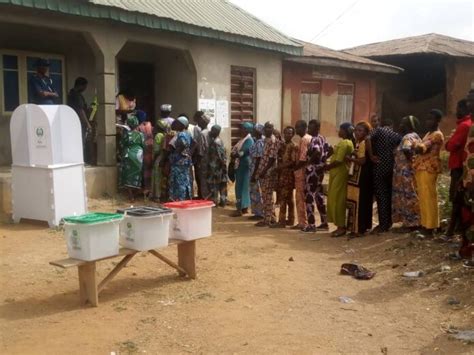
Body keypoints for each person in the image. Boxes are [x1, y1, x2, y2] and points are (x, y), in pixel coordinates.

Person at [413, 109, 445, 235]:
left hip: (429, 168)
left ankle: (431, 226)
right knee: (423, 197)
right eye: (427, 119)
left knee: (429, 197)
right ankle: (425, 224)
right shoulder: (428, 133)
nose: (427, 121)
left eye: (430, 119)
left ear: (437, 121)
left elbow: (421, 148)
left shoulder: (437, 135)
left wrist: (415, 144)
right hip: (422, 167)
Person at [444, 99, 472, 238]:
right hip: (463, 165)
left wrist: (448, 143)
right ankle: (459, 230)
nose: (456, 111)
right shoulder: (466, 124)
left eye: (458, 108)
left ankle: (451, 232)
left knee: (457, 198)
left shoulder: (464, 126)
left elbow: (452, 145)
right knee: (460, 199)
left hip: (459, 166)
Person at [369, 117, 401, 233]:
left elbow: (368, 138)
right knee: (388, 196)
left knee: (381, 197)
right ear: (392, 125)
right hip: (391, 168)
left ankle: (383, 225)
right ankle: (389, 223)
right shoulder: (396, 135)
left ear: (382, 124)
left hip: (379, 167)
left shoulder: (378, 131)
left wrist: (371, 155)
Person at [391, 116, 422, 232]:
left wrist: (410, 161)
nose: (400, 125)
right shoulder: (416, 136)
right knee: (413, 196)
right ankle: (415, 222)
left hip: (405, 172)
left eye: (403, 123)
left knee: (407, 197)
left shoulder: (407, 137)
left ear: (408, 125)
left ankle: (410, 224)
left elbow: (406, 149)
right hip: (410, 171)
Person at [324, 123, 355, 237]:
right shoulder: (346, 142)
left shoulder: (344, 143)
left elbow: (339, 160)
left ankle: (341, 227)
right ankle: (339, 226)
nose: (339, 131)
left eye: (341, 129)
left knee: (337, 199)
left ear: (345, 131)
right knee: (335, 198)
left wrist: (326, 167)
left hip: (340, 173)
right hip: (337, 173)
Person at [346, 121, 374, 237]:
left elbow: (362, 161)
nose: (357, 133)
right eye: (356, 130)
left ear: (366, 132)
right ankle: (361, 227)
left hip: (361, 177)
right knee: (360, 201)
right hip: (359, 176)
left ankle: (358, 229)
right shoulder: (360, 143)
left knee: (359, 201)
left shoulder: (363, 143)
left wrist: (350, 159)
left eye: (360, 130)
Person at [302, 120, 330, 233]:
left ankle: (311, 224)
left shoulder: (315, 139)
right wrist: (324, 161)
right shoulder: (323, 138)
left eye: (311, 127)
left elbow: (317, 152)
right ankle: (324, 222)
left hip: (313, 171)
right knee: (319, 196)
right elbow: (329, 150)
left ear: (317, 128)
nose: (308, 129)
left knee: (309, 196)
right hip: (320, 170)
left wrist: (309, 163)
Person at [458, 90, 474, 267]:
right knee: (467, 216)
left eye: (471, 100)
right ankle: (469, 251)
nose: (468, 104)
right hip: (467, 177)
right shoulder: (470, 124)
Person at [271, 126, 297, 228]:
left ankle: (281, 221)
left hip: (288, 175)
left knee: (284, 198)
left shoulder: (293, 146)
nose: (287, 135)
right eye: (286, 133)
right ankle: (290, 220)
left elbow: (293, 161)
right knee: (289, 198)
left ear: (293, 134)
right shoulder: (283, 145)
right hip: (282, 174)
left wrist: (280, 167)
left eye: (290, 133)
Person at [255, 122, 279, 227]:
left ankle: (267, 220)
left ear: (273, 129)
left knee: (267, 196)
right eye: (266, 127)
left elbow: (272, 159)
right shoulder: (266, 140)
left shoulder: (273, 141)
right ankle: (272, 217)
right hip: (263, 170)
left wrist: (264, 171)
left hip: (268, 172)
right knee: (267, 196)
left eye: (270, 127)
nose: (267, 129)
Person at [292, 120, 313, 230]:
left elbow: (302, 159)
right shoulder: (308, 138)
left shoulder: (305, 139)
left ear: (304, 128)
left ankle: (302, 222)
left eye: (298, 127)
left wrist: (295, 168)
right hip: (307, 172)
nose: (296, 130)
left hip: (301, 172)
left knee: (300, 198)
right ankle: (303, 221)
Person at [231, 122, 254, 216]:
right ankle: (242, 207)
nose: (241, 130)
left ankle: (241, 207)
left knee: (242, 187)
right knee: (241, 187)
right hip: (241, 166)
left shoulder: (249, 140)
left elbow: (242, 153)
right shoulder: (243, 140)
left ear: (248, 130)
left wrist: (235, 154)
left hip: (244, 166)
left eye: (243, 128)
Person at [119, 115, 145, 202]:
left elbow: (122, 144)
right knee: (137, 173)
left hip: (129, 154)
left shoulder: (127, 134)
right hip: (139, 156)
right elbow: (144, 146)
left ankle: (131, 196)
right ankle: (135, 193)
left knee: (128, 174)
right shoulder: (141, 135)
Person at [67, 77, 92, 162]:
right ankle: (80, 161)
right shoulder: (76, 95)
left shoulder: (71, 93)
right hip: (79, 122)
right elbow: (80, 110)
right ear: (81, 85)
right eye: (85, 86)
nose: (85, 89)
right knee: (81, 142)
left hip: (73, 122)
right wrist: (87, 123)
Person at [168, 116, 193, 201]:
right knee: (185, 179)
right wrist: (189, 153)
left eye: (178, 123)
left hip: (179, 161)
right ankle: (185, 197)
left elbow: (182, 144)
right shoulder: (188, 133)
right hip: (185, 161)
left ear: (182, 125)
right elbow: (194, 143)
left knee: (178, 180)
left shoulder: (181, 134)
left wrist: (178, 152)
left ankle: (179, 198)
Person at [207, 125, 228, 207]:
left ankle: (215, 202)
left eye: (212, 130)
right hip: (218, 167)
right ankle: (223, 201)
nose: (210, 131)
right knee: (222, 185)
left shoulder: (216, 142)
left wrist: (221, 167)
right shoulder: (219, 141)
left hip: (216, 168)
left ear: (216, 131)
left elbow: (221, 157)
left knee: (215, 185)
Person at [193, 111, 211, 199]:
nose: (198, 122)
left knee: (202, 179)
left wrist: (198, 162)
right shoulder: (208, 132)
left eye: (200, 120)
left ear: (203, 122)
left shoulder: (202, 134)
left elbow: (200, 150)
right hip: (208, 158)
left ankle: (204, 197)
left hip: (203, 159)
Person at [248, 124, 265, 220]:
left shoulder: (259, 143)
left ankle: (260, 213)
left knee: (257, 192)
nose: (252, 131)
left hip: (256, 170)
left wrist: (254, 174)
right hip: (253, 169)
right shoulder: (257, 141)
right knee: (254, 192)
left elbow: (258, 159)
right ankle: (256, 213)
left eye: (254, 130)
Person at [151, 119, 169, 202]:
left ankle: (157, 196)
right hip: (165, 158)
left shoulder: (158, 135)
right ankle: (163, 195)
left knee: (157, 177)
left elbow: (156, 150)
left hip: (159, 158)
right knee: (163, 178)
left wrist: (153, 159)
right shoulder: (166, 135)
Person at [137, 111, 154, 198]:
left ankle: (146, 189)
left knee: (145, 170)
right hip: (151, 148)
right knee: (150, 169)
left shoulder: (139, 127)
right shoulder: (149, 124)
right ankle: (150, 188)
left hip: (144, 149)